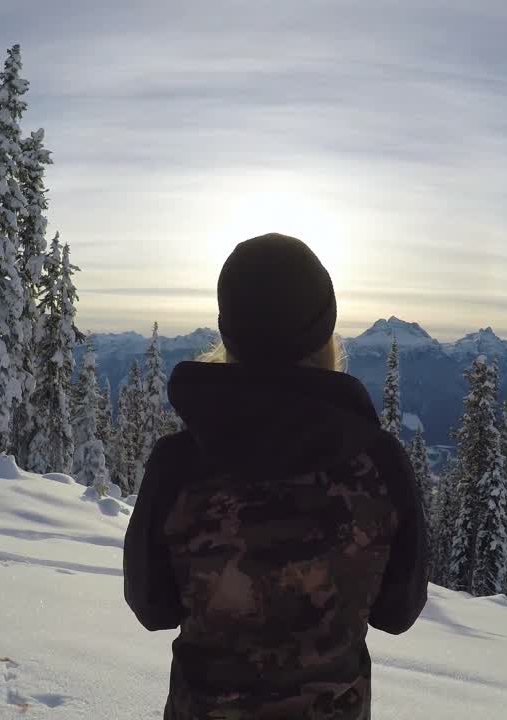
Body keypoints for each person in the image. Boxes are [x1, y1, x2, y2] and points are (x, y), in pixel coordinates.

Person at [124, 233, 429, 719]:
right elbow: (398, 612)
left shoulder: (179, 465)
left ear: (228, 333)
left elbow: (151, 607)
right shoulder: (379, 464)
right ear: (324, 331)